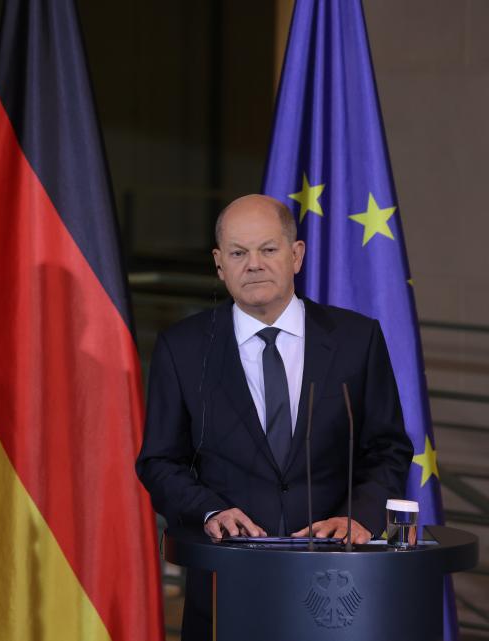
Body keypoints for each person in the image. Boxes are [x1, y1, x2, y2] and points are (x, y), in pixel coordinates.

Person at [136, 194, 411, 639]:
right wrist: (208, 511)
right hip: (227, 585)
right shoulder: (182, 348)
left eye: (268, 249)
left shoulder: (357, 339)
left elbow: (388, 449)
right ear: (219, 263)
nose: (254, 264)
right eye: (238, 253)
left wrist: (358, 516)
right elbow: (159, 461)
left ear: (296, 255)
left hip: (338, 585)